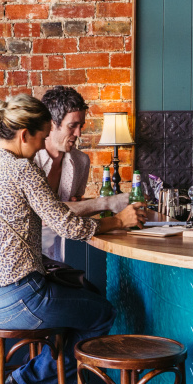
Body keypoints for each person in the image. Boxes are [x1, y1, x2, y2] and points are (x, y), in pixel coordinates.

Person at [0, 94, 146, 384]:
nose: (41, 145)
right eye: (41, 136)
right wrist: (119, 220)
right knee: (102, 312)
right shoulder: (23, 169)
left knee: (73, 307)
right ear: (24, 135)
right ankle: (22, 382)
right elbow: (68, 225)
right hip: (16, 300)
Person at [35, 86, 129, 262]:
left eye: (81, 126)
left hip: (63, 252)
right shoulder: (29, 161)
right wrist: (106, 204)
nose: (78, 133)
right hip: (26, 253)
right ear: (51, 124)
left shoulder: (81, 161)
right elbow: (46, 215)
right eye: (72, 126)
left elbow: (73, 213)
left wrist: (80, 206)